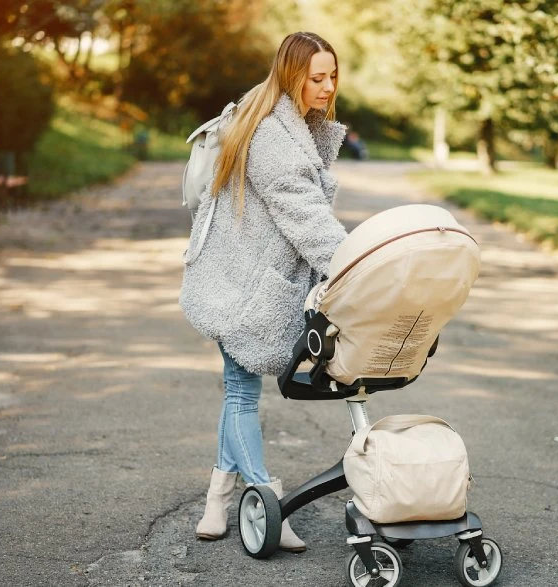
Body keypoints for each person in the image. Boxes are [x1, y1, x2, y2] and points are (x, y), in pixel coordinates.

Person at [179, 32, 348, 552]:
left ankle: (217, 498)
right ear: (291, 74)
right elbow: (305, 214)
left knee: (238, 390)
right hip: (239, 283)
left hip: (249, 277)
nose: (327, 86)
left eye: (332, 76)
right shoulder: (275, 134)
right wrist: (354, 265)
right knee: (241, 393)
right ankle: (268, 498)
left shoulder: (284, 117)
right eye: (316, 77)